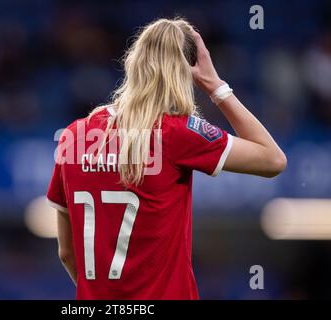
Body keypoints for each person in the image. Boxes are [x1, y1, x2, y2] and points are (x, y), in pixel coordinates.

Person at [46, 18, 287, 299]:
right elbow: (273, 160)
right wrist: (216, 86)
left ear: (133, 63)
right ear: (184, 75)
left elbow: (66, 253)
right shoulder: (176, 133)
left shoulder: (74, 135)